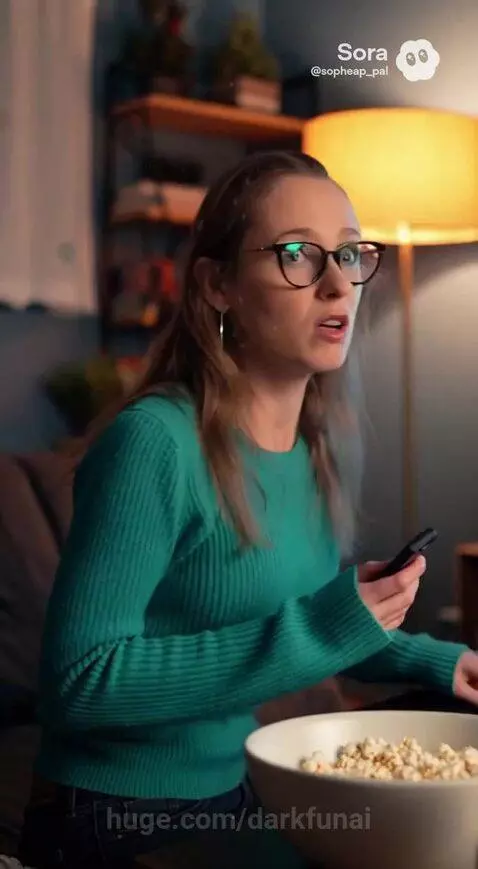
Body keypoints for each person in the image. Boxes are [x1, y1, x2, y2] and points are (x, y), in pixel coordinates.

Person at [18, 151, 478, 869]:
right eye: (298, 254)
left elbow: (300, 621)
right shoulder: (154, 443)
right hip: (112, 818)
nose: (337, 284)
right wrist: (324, 625)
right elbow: (80, 682)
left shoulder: (311, 445)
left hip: (237, 792)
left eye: (351, 254)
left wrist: (439, 661)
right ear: (218, 284)